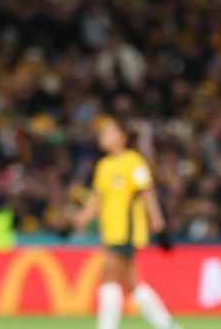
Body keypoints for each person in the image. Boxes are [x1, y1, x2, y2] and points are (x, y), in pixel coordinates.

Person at [71, 117, 180, 329]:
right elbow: (96, 201)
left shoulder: (133, 162)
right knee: (132, 284)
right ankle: (168, 326)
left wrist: (160, 227)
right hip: (110, 232)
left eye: (109, 132)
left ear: (122, 137)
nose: (103, 136)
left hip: (126, 231)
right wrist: (76, 222)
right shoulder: (103, 166)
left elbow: (148, 196)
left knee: (108, 278)